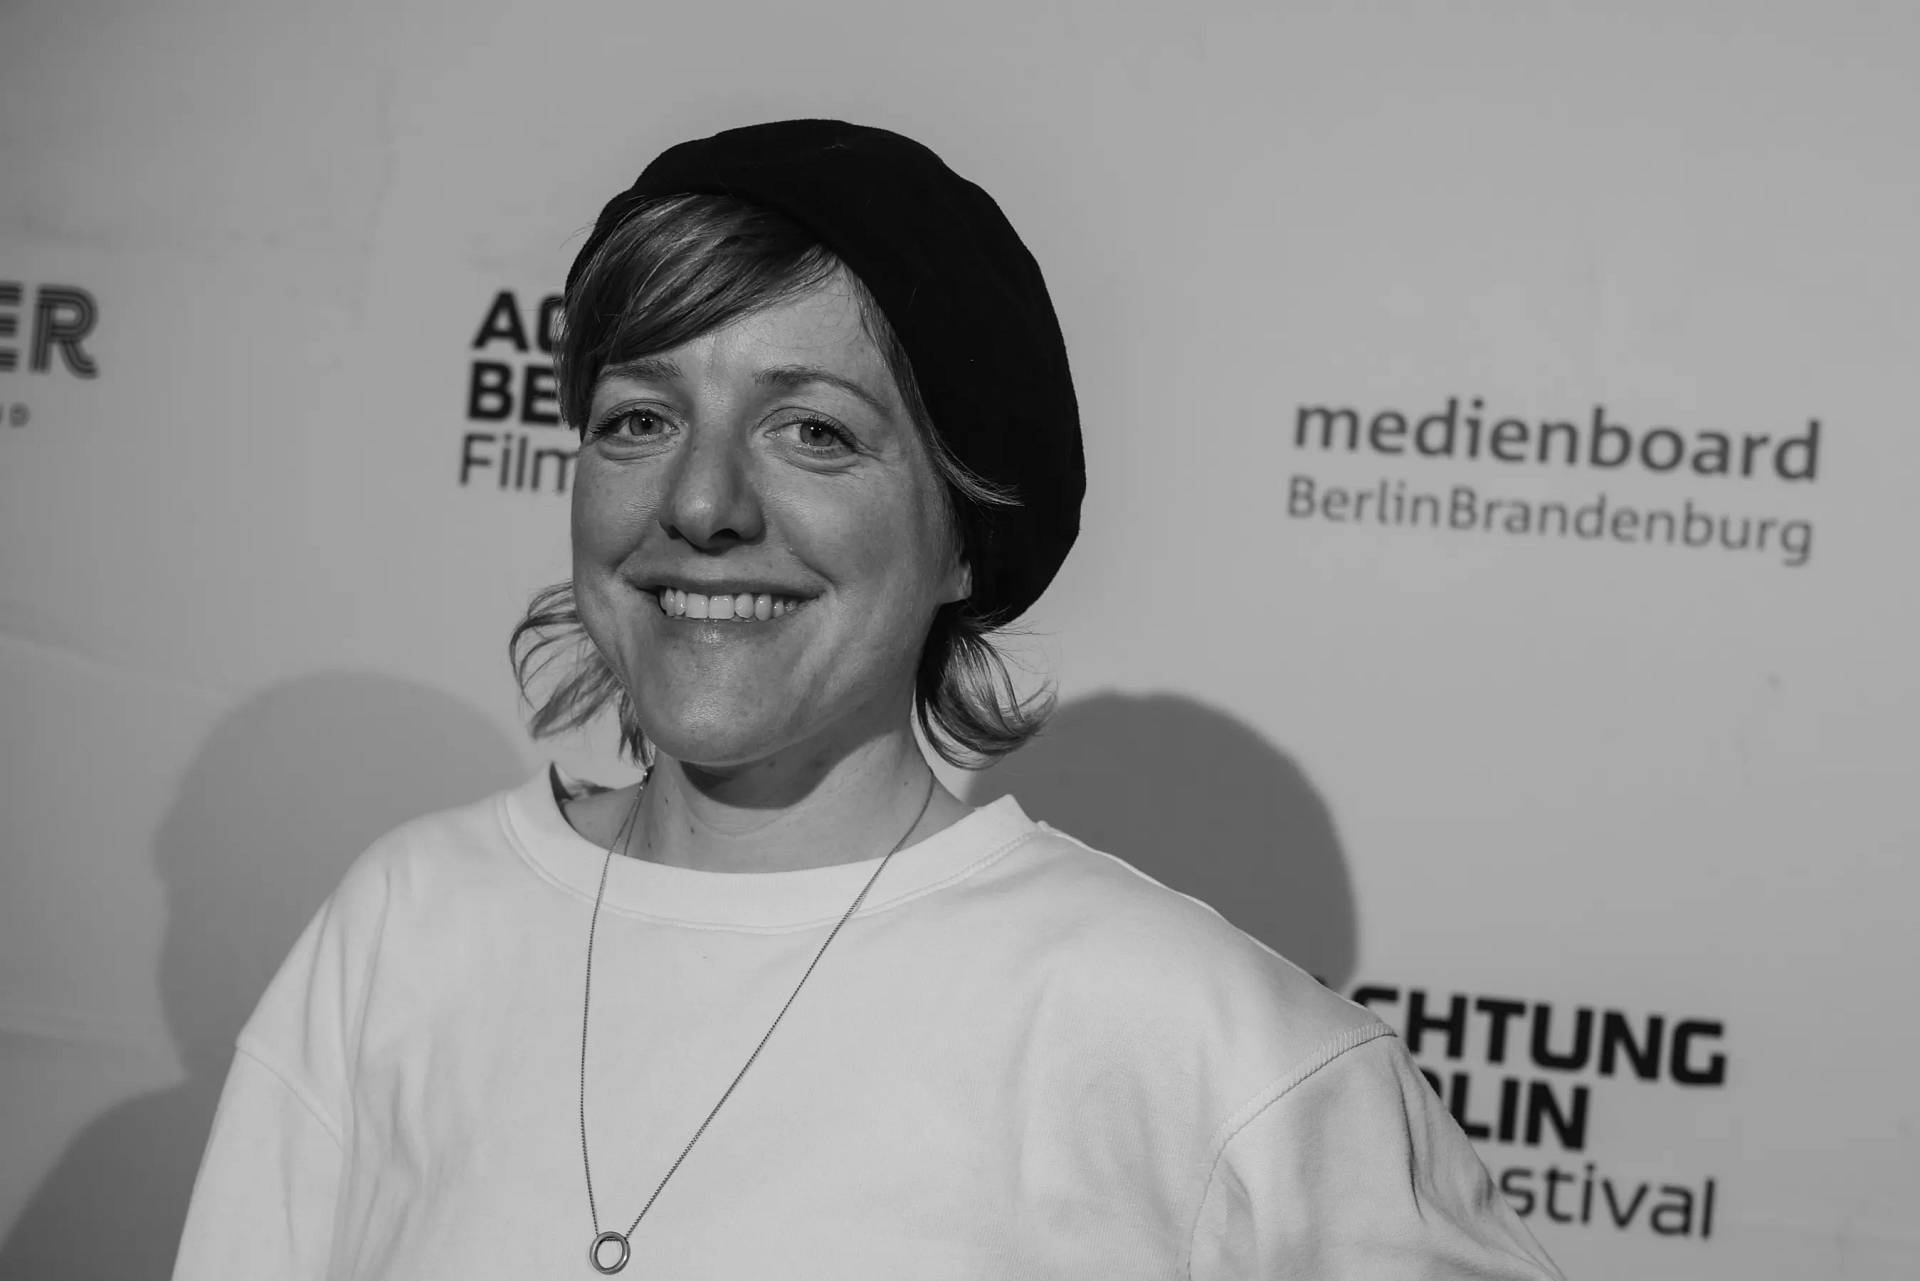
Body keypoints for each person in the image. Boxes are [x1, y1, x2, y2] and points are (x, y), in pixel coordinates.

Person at [171, 120, 1563, 1279]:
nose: (702, 502)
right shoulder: (407, 926)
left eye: (814, 430)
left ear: (965, 535)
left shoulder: (1196, 1041)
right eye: (640, 418)